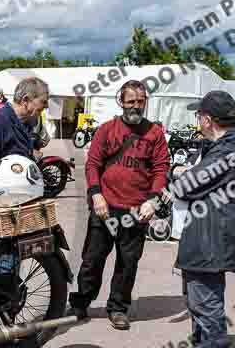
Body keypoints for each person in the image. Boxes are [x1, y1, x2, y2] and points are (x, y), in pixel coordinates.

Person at [166, 91, 235, 348]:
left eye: (198, 116)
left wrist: (176, 172)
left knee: (206, 302)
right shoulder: (226, 145)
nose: (197, 121)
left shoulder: (228, 152)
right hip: (208, 230)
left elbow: (188, 186)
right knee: (196, 298)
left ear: (207, 119)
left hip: (213, 236)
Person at [69, 80, 170, 331]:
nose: (136, 106)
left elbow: (160, 169)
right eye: (131, 101)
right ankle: (80, 304)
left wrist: (153, 199)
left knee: (128, 263)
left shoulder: (155, 134)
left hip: (137, 211)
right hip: (105, 208)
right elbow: (92, 164)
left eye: (140, 101)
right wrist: (96, 195)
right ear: (121, 102)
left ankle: (117, 308)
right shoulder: (107, 129)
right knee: (92, 259)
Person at [0, 78, 47, 206]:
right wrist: (9, 189)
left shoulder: (27, 122)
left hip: (23, 203)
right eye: (42, 102)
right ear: (26, 100)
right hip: (3, 207)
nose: (46, 106)